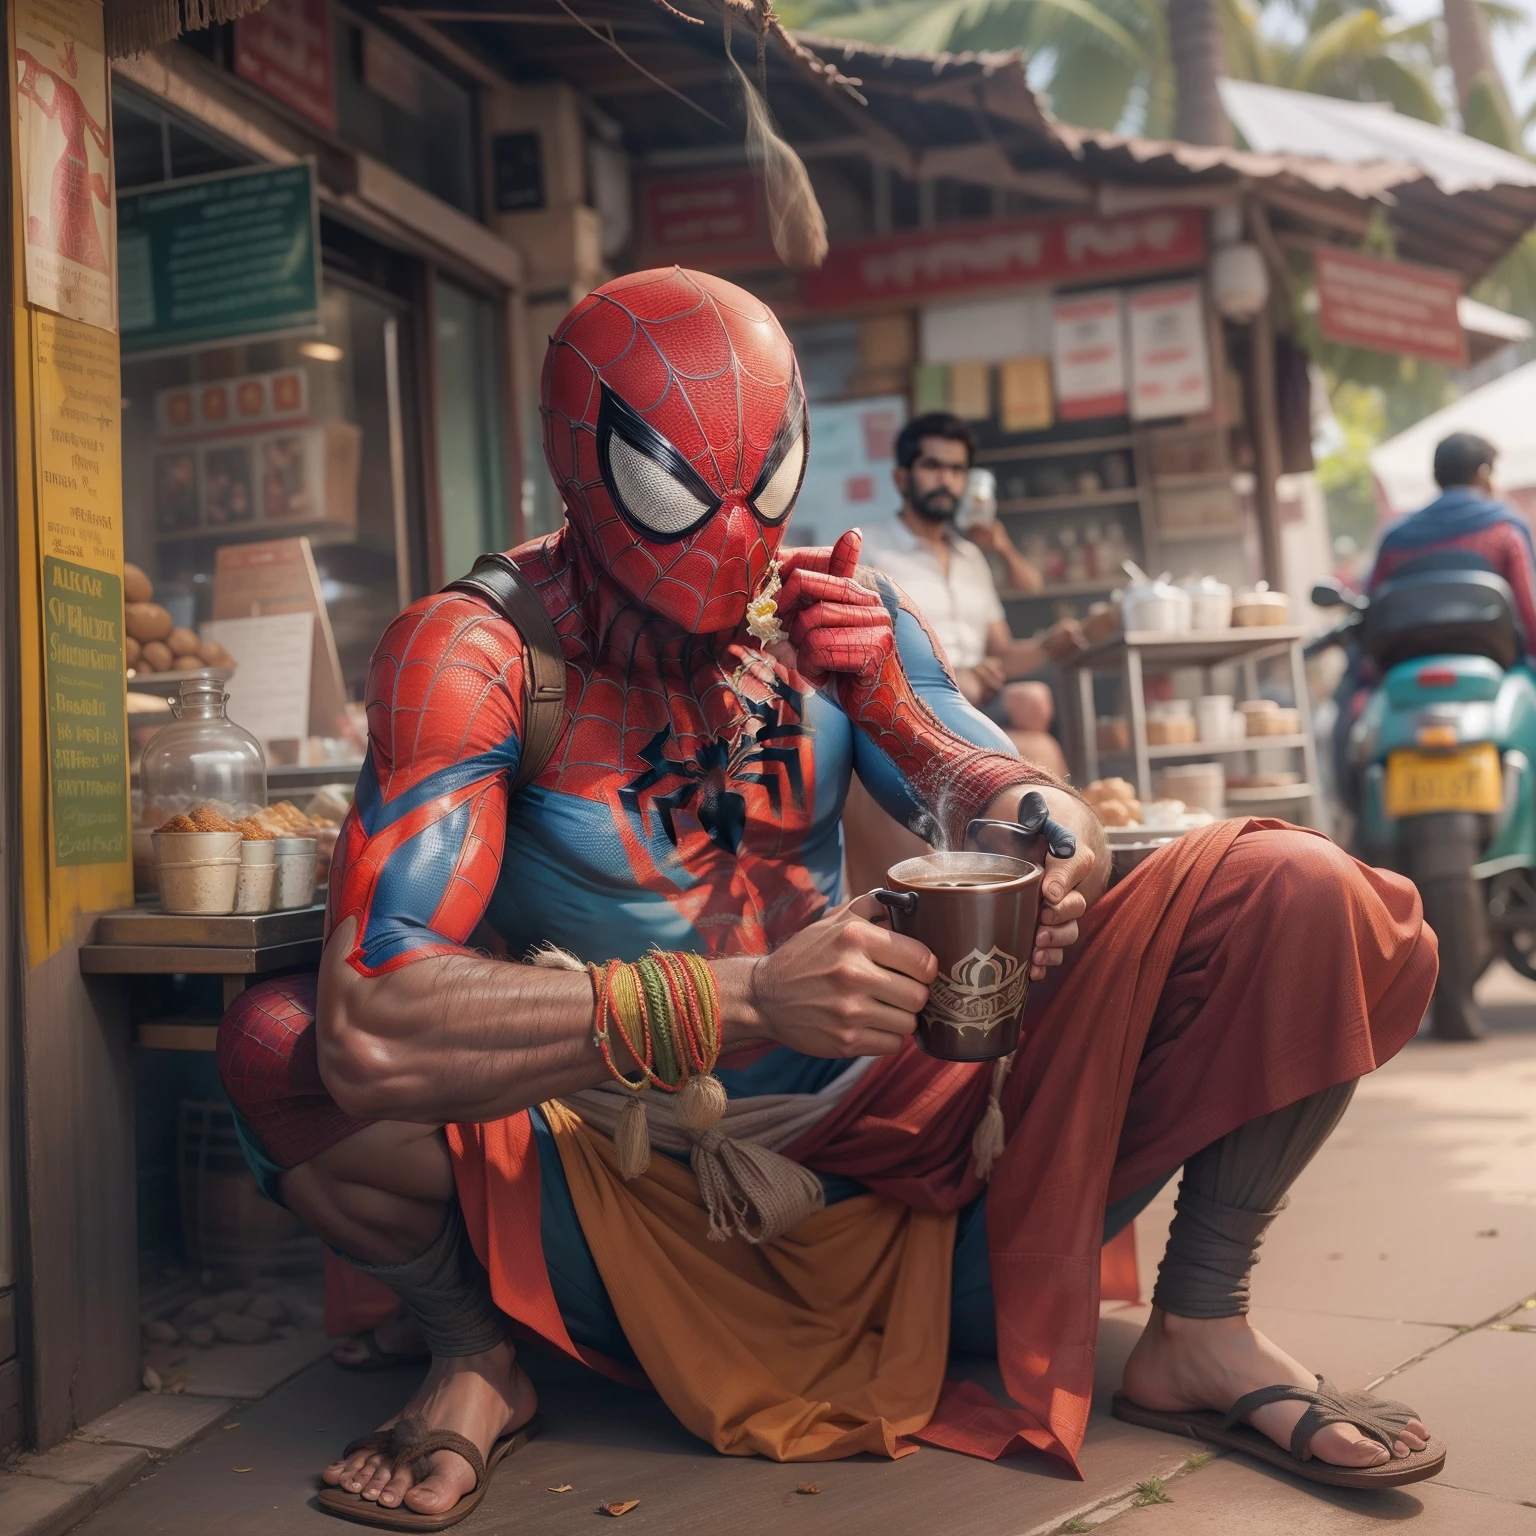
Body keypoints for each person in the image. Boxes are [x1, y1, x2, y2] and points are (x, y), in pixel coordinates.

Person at [219, 269, 1441, 1530]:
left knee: (1295, 887)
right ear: (590, 467)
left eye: (771, 484)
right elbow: (370, 1025)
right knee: (279, 1049)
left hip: (898, 1149)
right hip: (613, 1177)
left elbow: (1036, 804)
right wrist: (745, 998)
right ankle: (474, 1353)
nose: (740, 535)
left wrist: (998, 809)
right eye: (679, 490)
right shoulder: (474, 651)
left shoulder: (827, 616)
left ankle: (1203, 1322)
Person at [859, 412, 1083, 774]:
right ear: (902, 477)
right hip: (913, 702)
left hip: (979, 700)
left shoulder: (971, 558)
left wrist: (1046, 645)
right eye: (932, 466)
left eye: (957, 470)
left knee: (1034, 701)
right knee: (1039, 747)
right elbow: (860, 653)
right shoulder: (870, 550)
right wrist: (952, 675)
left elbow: (1003, 653)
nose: (945, 480)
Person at [1368, 432, 1536, 646]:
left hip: (1409, 657)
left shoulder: (1395, 538)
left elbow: (1374, 610)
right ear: (1483, 474)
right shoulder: (1505, 531)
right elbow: (1527, 610)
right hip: (1495, 659)